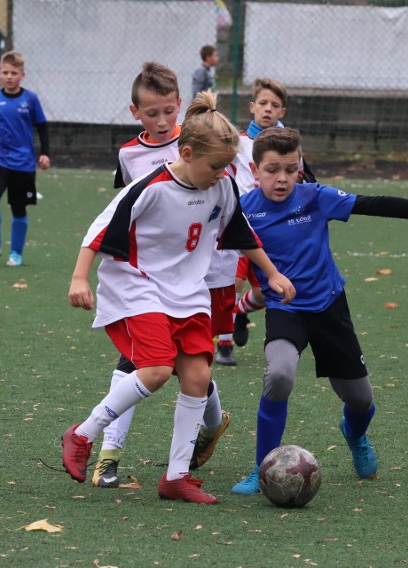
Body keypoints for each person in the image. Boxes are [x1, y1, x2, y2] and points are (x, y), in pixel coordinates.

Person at [62, 92, 296, 504]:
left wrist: (272, 273)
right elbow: (97, 232)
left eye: (227, 165)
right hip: (138, 285)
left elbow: (240, 234)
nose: (223, 173)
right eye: (215, 165)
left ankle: (175, 477)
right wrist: (79, 279)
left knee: (197, 378)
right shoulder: (149, 188)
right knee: (154, 370)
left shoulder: (221, 188)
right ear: (186, 153)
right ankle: (82, 434)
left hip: (188, 293)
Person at [231, 127, 408, 495]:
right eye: (272, 169)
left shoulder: (315, 198)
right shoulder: (244, 210)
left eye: (291, 169)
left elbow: (373, 203)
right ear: (255, 168)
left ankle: (355, 435)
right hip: (286, 309)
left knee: (360, 400)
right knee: (279, 375)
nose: (282, 178)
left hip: (329, 307)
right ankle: (261, 466)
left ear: (300, 167)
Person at [94, 63, 230, 490]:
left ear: (180, 110)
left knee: (196, 369)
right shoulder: (128, 155)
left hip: (192, 277)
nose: (162, 121)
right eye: (152, 113)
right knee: (140, 363)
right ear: (135, 112)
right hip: (144, 280)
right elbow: (125, 207)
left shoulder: (197, 145)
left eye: (169, 111)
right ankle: (108, 456)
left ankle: (209, 428)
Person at [217, 77, 316, 364]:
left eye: (274, 105)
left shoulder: (290, 146)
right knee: (232, 282)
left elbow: (305, 180)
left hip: (272, 228)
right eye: (262, 103)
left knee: (263, 292)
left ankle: (240, 312)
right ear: (252, 107)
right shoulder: (238, 144)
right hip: (240, 223)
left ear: (282, 112)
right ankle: (224, 345)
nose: (268, 109)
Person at [0, 50, 50, 267]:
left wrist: (45, 153)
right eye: (5, 72)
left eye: (14, 73)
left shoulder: (30, 99)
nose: (9, 76)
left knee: (18, 207)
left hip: (23, 163)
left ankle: (16, 253)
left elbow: (42, 127)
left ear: (22, 75)